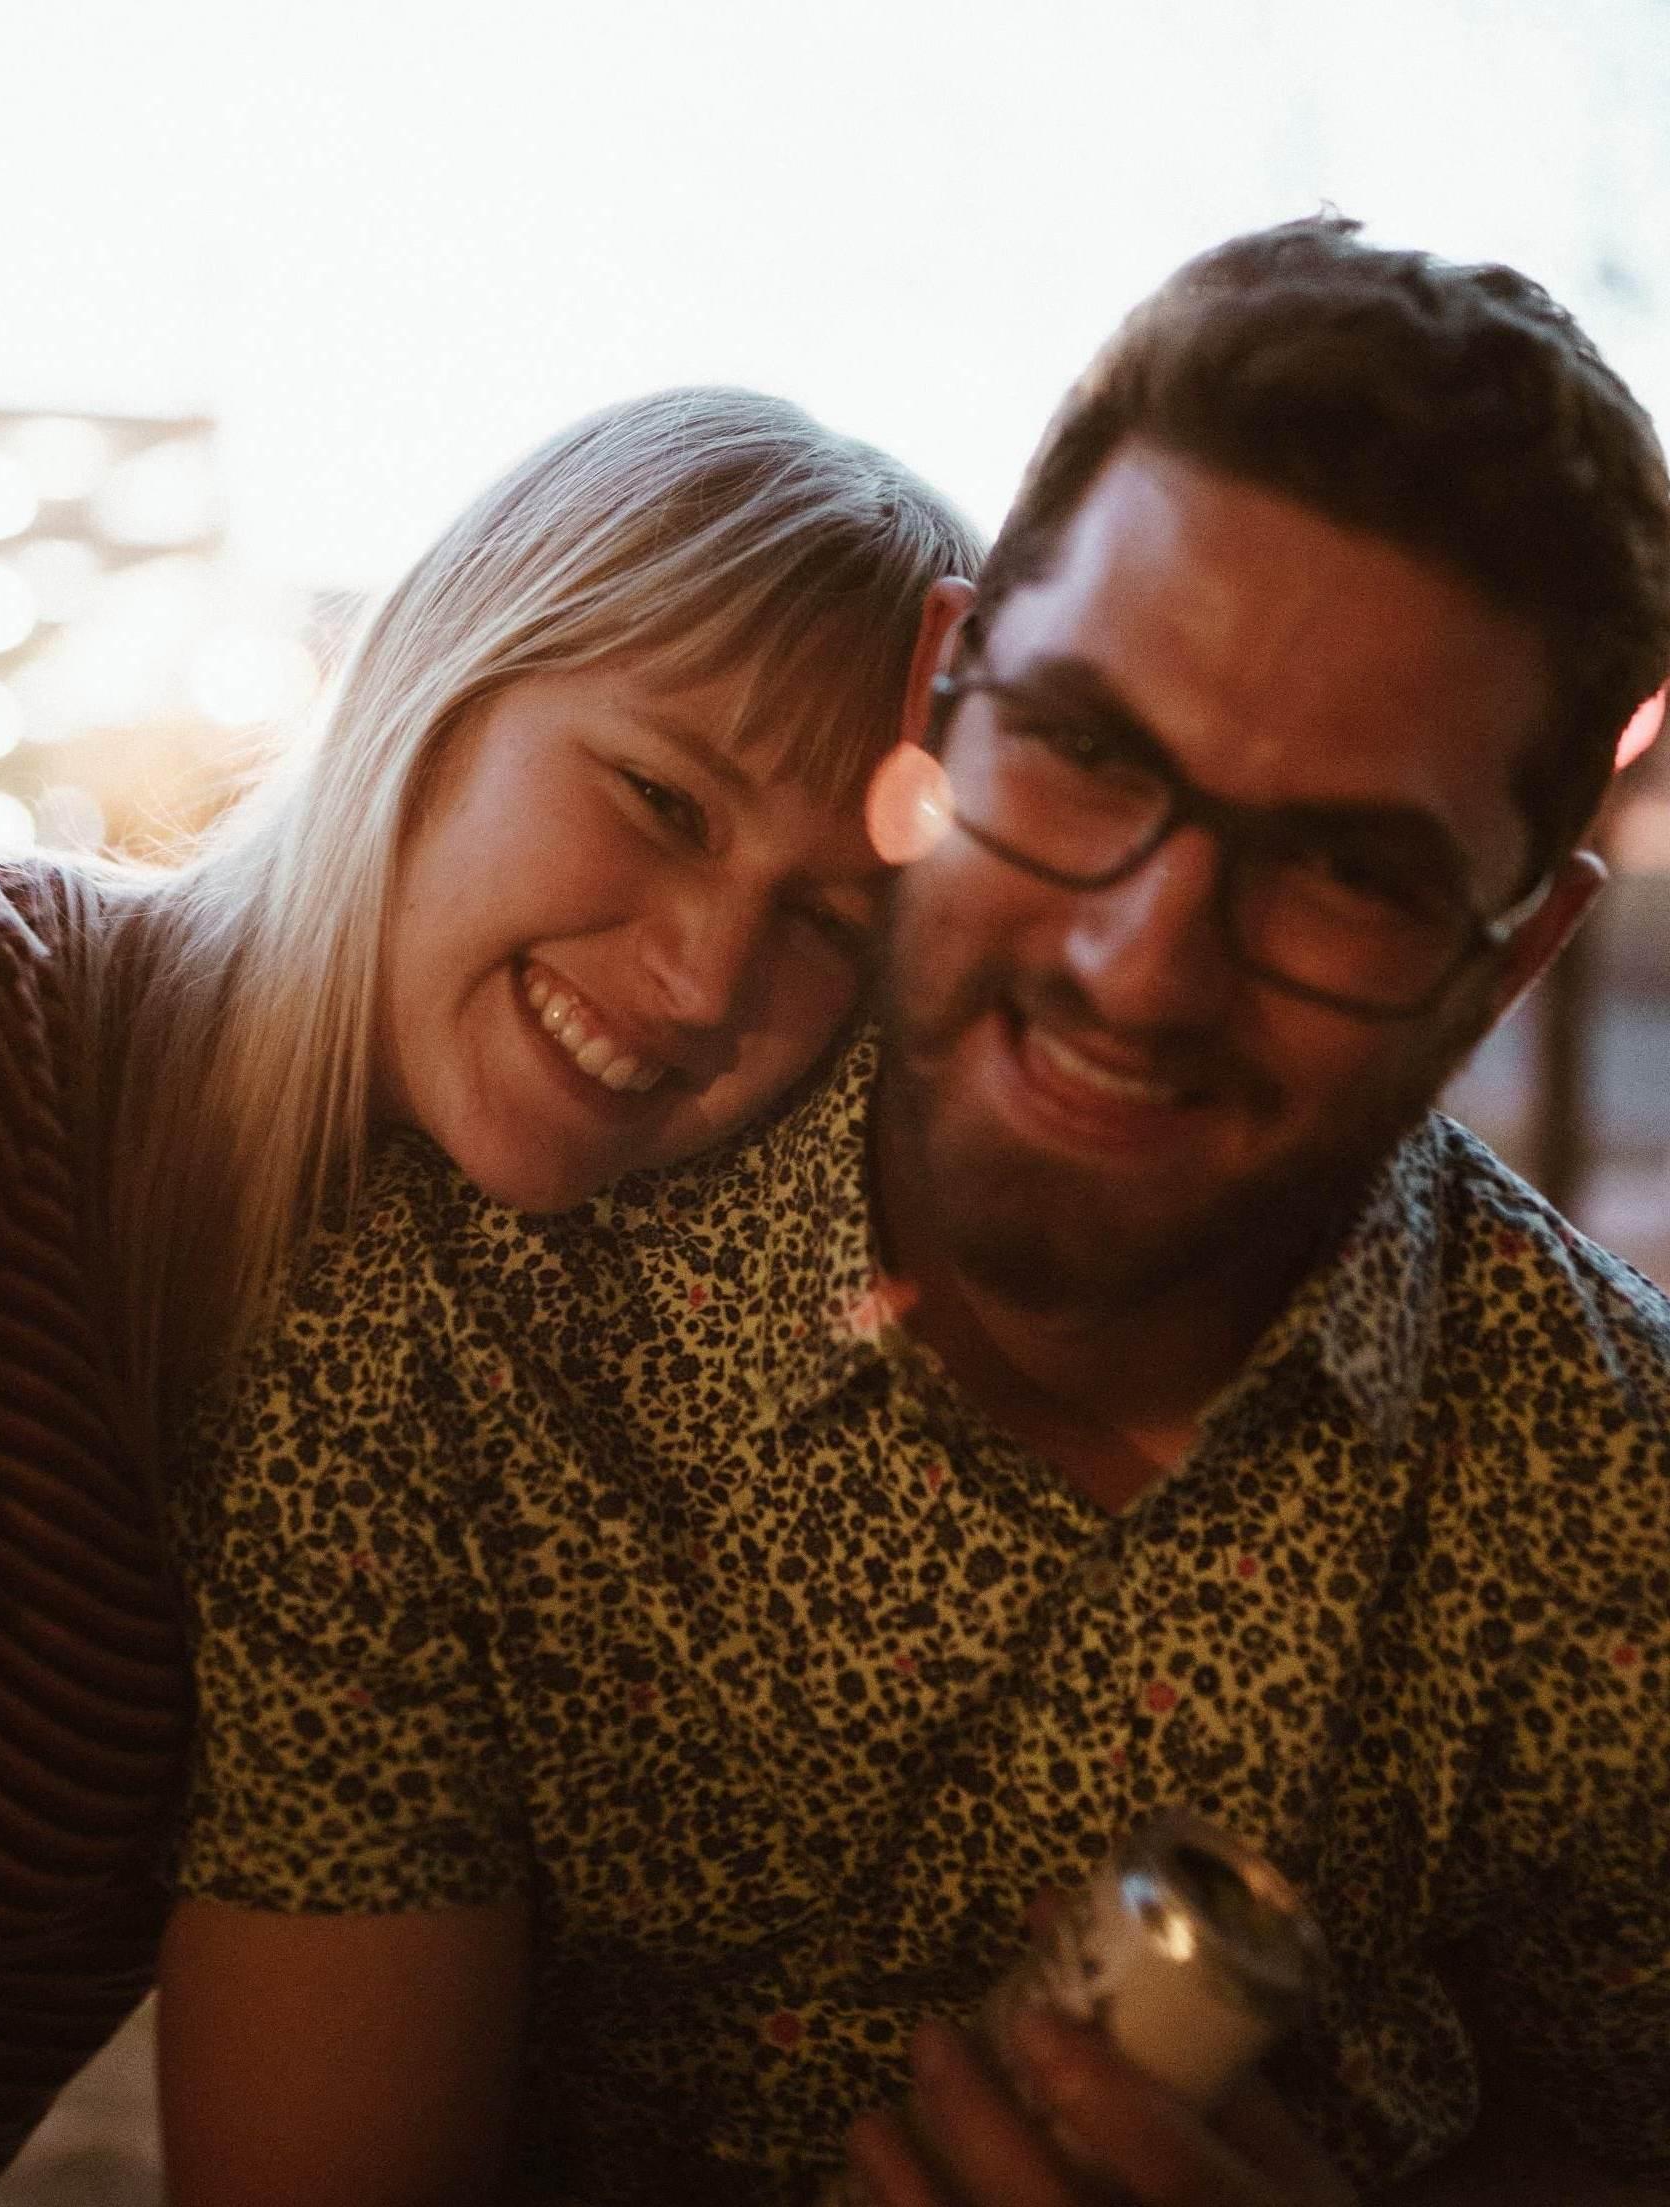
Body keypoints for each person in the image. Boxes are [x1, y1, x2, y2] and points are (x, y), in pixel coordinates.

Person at [163, 216, 1670, 2206]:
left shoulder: (1610, 1501)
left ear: (1509, 953)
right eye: (1087, 753)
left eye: (1343, 873)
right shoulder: (456, 1318)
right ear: (954, 691)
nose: (1143, 965)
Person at [0, 386, 980, 2204]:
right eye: (662, 799)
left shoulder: (474, 1374)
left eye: (830, 923)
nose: (704, 973)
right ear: (437, 679)